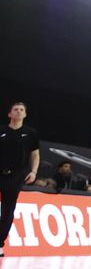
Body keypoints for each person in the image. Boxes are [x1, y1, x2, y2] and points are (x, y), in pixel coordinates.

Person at [0, 101, 40, 258]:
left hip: (16, 175)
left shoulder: (30, 133)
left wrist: (34, 171)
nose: (18, 111)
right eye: (15, 109)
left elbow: (35, 155)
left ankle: (0, 244)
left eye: (21, 109)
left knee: (8, 211)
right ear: (9, 114)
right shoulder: (1, 130)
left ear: (25, 114)